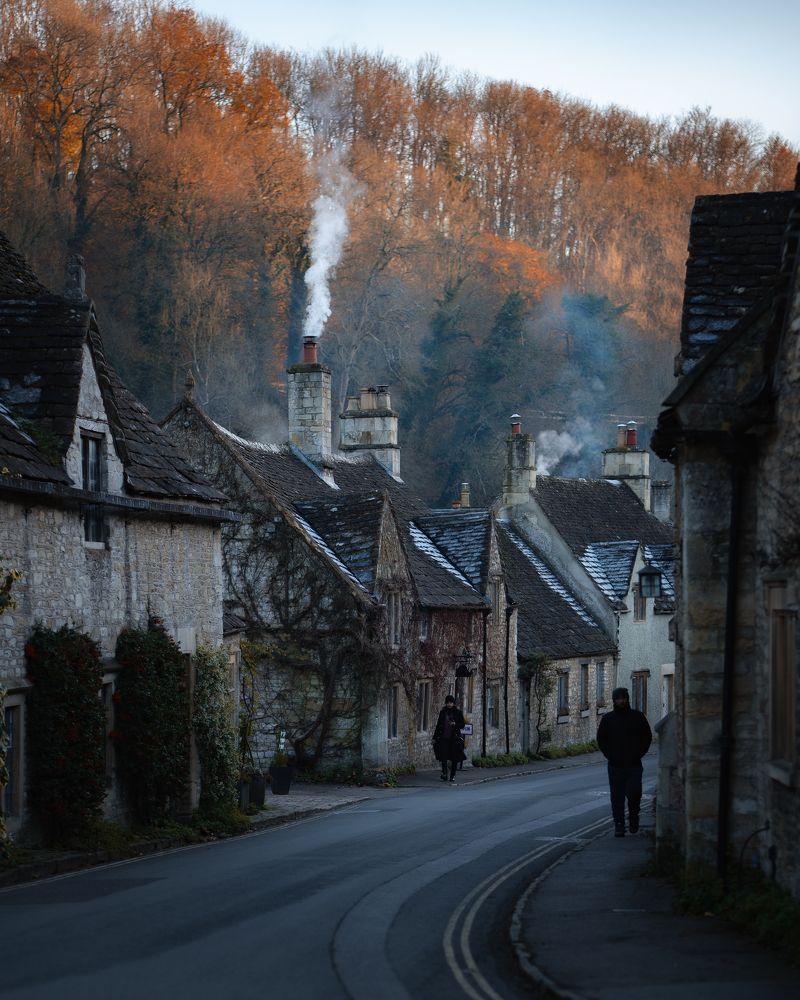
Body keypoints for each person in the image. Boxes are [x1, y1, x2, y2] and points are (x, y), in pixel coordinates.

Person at [596, 686, 652, 836]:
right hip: (615, 765)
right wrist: (610, 755)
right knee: (617, 796)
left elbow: (647, 737)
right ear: (614, 701)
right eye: (618, 698)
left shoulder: (638, 717)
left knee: (635, 793)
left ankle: (634, 817)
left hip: (634, 764)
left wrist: (639, 754)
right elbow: (601, 739)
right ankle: (619, 824)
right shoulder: (608, 719)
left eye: (623, 698)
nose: (621, 701)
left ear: (627, 699)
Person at [432, 695, 466, 783]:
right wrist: (434, 737)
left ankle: (452, 775)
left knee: (454, 758)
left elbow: (462, 725)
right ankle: (444, 773)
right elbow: (439, 725)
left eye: (451, 702)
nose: (449, 704)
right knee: (443, 756)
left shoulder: (458, 713)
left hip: (454, 738)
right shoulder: (443, 712)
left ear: (453, 703)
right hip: (444, 738)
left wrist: (455, 724)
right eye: (447, 702)